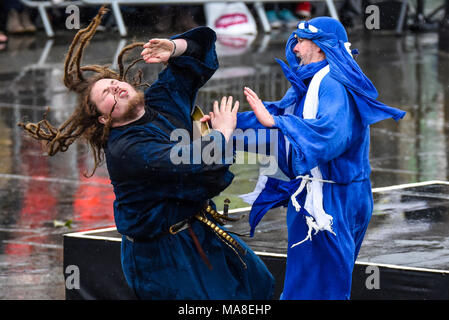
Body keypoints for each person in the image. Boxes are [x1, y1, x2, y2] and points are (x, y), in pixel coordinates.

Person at [18, 7, 274, 299]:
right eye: (107, 95)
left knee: (258, 286)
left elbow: (199, 55)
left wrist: (175, 47)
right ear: (104, 119)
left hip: (195, 229)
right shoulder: (127, 148)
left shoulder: (160, 99)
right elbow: (192, 164)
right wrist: (223, 132)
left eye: (114, 83)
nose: (115, 88)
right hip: (160, 254)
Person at [232, 17, 406, 299]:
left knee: (315, 292)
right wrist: (230, 126)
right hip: (344, 193)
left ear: (321, 46)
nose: (295, 48)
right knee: (324, 287)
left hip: (326, 201)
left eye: (301, 41)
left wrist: (276, 124)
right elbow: (281, 116)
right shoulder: (322, 79)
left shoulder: (332, 83)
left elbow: (330, 136)